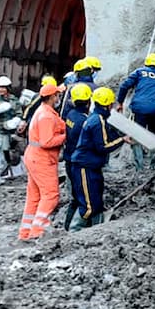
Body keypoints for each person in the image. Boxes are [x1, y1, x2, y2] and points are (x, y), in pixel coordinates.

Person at [71, 87, 129, 229]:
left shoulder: (96, 117)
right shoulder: (98, 121)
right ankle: (74, 231)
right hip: (84, 166)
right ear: (108, 105)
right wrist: (123, 140)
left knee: (97, 201)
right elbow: (103, 146)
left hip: (91, 165)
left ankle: (97, 229)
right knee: (89, 206)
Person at [18, 83, 67, 240]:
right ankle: (38, 231)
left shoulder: (41, 111)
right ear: (53, 97)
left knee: (34, 196)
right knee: (51, 195)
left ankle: (26, 232)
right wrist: (66, 136)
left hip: (34, 157)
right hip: (42, 159)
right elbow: (47, 141)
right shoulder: (46, 116)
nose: (59, 98)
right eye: (58, 95)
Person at [116, 52, 155, 171]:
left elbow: (125, 86)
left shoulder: (139, 72)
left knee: (137, 134)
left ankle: (139, 167)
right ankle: (152, 164)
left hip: (140, 108)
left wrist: (120, 102)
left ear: (146, 63)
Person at [62, 83, 93, 230]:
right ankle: (75, 229)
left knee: (74, 197)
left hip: (69, 159)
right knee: (82, 197)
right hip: (79, 163)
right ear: (88, 101)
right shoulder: (84, 121)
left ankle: (67, 226)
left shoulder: (71, 115)